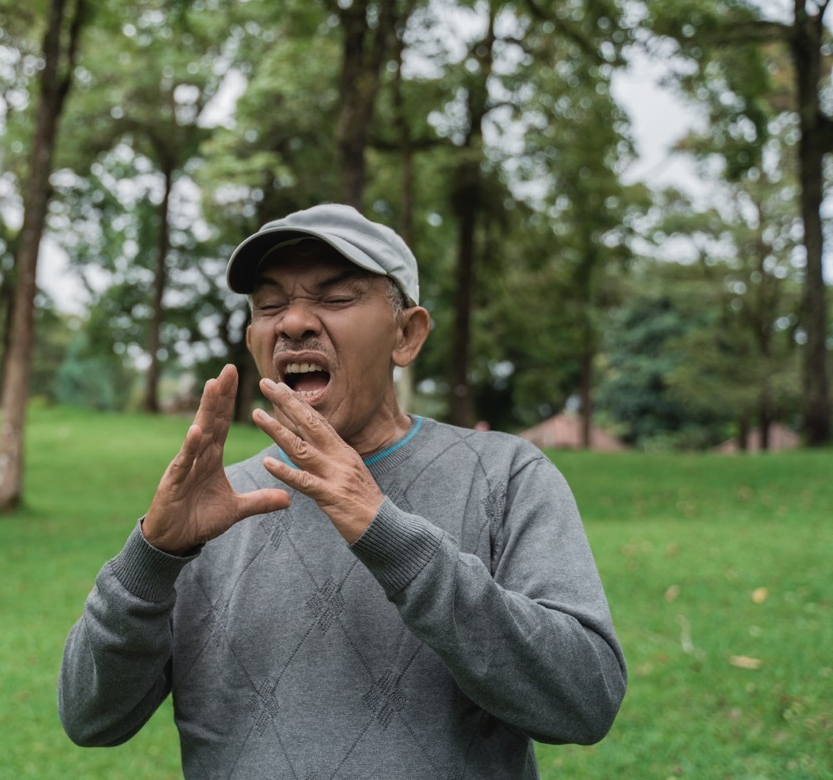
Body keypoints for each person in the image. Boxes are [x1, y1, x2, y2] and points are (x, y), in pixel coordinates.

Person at [58, 203, 626, 779]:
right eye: (270, 304)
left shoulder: (505, 476)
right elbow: (91, 719)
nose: (294, 323)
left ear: (406, 335)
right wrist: (151, 561)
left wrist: (388, 534)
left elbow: (585, 701)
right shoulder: (215, 508)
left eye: (335, 298)